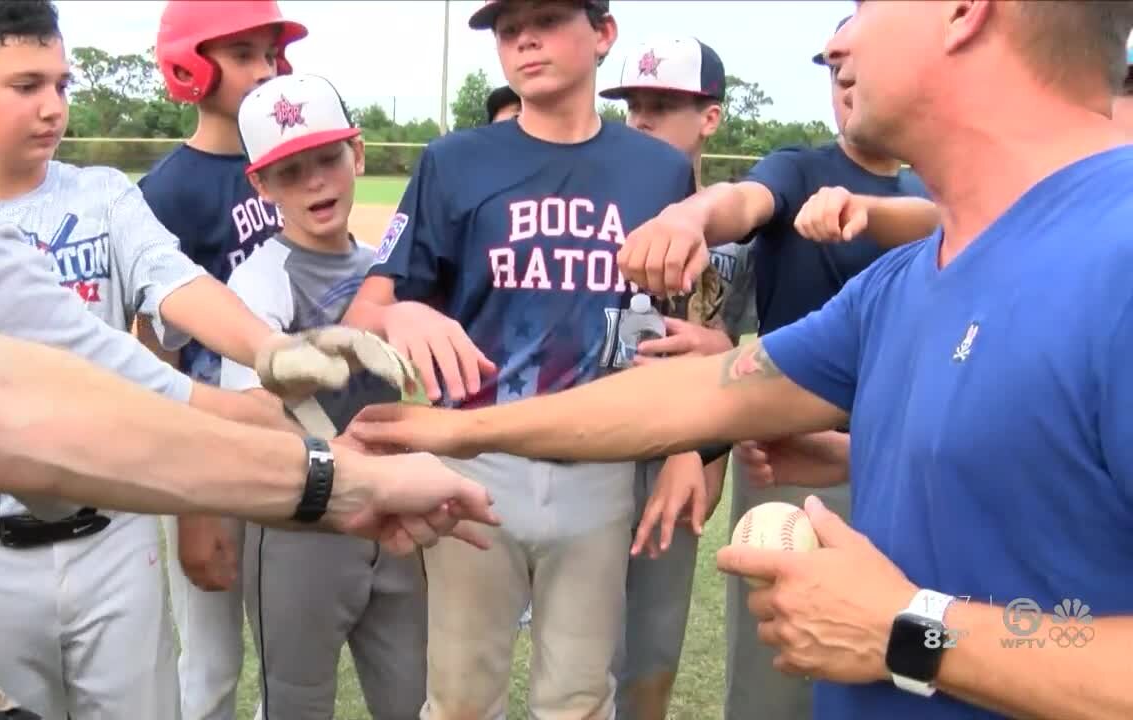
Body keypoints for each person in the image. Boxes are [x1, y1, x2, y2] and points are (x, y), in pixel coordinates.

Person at [349, 2, 1133, 719]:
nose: (837, 41)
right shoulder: (909, 277)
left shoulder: (1116, 253)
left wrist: (911, 634)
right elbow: (700, 395)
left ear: (965, 11)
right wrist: (449, 433)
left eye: (867, 7)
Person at [0, 289, 496, 719]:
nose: (55, 105)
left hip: (99, 545)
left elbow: (131, 377)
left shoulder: (85, 199)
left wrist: (269, 361)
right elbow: (11, 404)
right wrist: (345, 478)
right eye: (29, 84)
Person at [0, 1, 298, 715]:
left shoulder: (103, 195)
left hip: (114, 532)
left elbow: (176, 281)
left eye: (61, 86)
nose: (51, 108)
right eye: (25, 85)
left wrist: (271, 349)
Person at [342, 1, 702, 716]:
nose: (525, 39)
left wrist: (687, 450)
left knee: (577, 694)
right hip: (476, 459)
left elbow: (667, 331)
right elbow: (366, 313)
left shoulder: (658, 172)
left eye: (546, 18)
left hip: (600, 457)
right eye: (509, 29)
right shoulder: (454, 161)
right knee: (460, 696)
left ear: (603, 34)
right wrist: (404, 309)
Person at [612, 17, 928, 720]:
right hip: (791, 458)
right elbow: (740, 202)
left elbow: (951, 228)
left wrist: (871, 212)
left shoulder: (930, 188)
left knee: (903, 678)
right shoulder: (800, 167)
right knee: (772, 687)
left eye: (858, 59)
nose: (845, 79)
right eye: (833, 65)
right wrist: (690, 219)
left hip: (906, 458)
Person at [222, 72, 428, 720]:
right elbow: (257, 412)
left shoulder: (385, 270)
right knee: (297, 703)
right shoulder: (256, 282)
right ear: (260, 184)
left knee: (415, 696)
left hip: (393, 507)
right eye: (289, 170)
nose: (315, 180)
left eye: (328, 157)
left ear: (357, 154)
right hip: (301, 519)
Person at [138, 3, 305, 717]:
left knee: (290, 653)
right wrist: (192, 498)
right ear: (190, 65)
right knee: (209, 664)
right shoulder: (168, 192)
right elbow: (154, 354)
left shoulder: (289, 165)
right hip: (212, 445)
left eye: (269, 53)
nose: (264, 70)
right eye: (242, 54)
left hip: (298, 437)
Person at [597, 34, 745, 720]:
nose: (645, 119)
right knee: (578, 653)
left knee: (651, 656)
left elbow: (751, 348)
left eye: (664, 104)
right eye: (634, 106)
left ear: (709, 116)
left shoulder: (744, 228)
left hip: (684, 447)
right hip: (593, 439)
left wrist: (702, 449)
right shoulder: (599, 211)